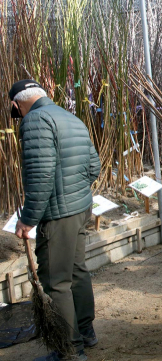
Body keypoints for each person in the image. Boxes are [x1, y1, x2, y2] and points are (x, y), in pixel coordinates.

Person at [10, 79, 101, 361]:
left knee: (57, 282)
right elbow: (94, 166)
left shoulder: (35, 121)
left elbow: (40, 175)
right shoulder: (69, 116)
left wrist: (28, 219)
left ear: (16, 104)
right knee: (77, 272)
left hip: (58, 216)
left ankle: (69, 350)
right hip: (80, 208)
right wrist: (74, 193)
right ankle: (86, 332)